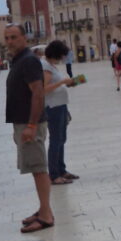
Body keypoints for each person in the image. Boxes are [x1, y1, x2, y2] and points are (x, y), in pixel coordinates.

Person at [4, 24, 53, 234]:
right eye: (6, 38)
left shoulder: (29, 61)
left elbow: (38, 93)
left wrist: (31, 125)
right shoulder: (19, 61)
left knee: (39, 168)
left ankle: (46, 216)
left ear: (24, 38)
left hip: (30, 123)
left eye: (14, 37)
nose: (9, 41)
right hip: (22, 122)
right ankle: (43, 209)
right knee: (35, 168)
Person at [41, 40, 77, 185]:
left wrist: (70, 82)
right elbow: (43, 89)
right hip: (53, 107)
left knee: (61, 139)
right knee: (56, 140)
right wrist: (62, 83)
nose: (63, 58)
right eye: (62, 55)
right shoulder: (46, 68)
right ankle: (54, 175)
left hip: (60, 106)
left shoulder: (51, 66)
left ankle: (62, 170)